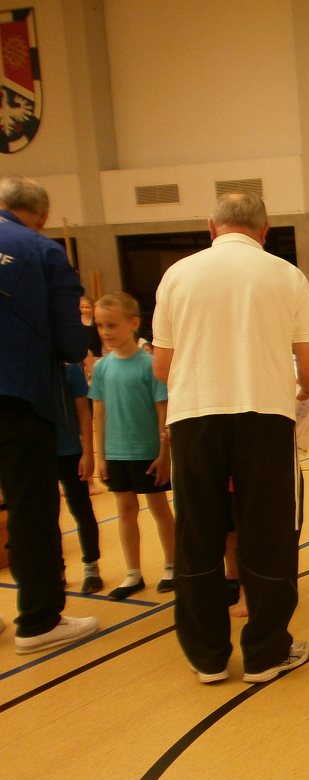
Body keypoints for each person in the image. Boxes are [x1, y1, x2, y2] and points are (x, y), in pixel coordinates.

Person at [153, 191, 309, 684]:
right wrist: (297, 390)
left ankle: (206, 657)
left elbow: (162, 367)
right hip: (265, 417)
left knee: (198, 533)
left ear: (211, 227)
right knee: (268, 533)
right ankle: (265, 653)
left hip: (194, 417)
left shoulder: (177, 274)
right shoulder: (286, 274)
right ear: (264, 231)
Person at [0, 176, 97, 652]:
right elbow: (71, 342)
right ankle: (38, 620)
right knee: (30, 507)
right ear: (40, 217)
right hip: (18, 397)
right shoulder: (41, 250)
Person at [90, 293, 175, 600]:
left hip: (147, 452)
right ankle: (133, 573)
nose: (105, 332)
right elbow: (99, 413)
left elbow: (162, 411)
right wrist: (101, 456)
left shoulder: (150, 365)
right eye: (100, 325)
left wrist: (164, 453)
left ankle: (172, 565)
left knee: (159, 508)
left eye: (112, 325)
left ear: (133, 323)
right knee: (125, 510)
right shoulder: (102, 367)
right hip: (116, 452)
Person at [57, 363, 103, 593]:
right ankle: (57, 570)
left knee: (81, 509)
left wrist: (87, 453)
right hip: (38, 453)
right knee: (46, 516)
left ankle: (91, 567)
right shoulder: (29, 370)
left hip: (70, 452)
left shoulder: (70, 370)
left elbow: (84, 412)